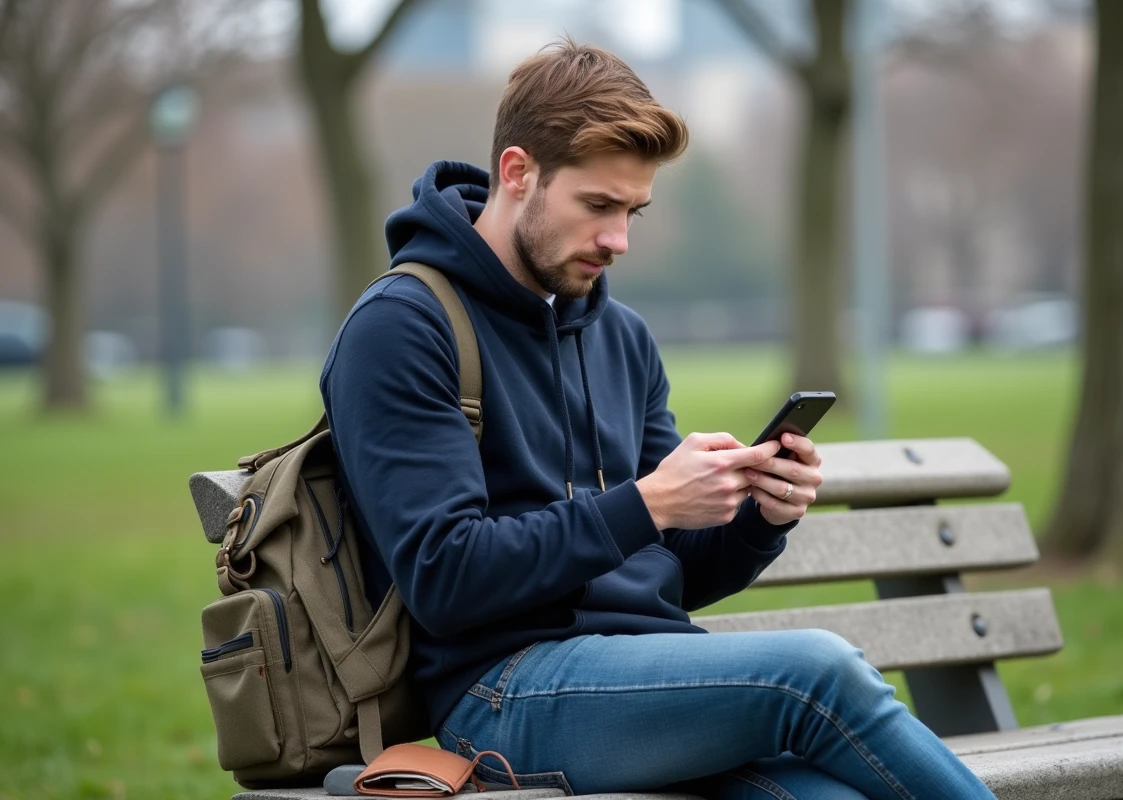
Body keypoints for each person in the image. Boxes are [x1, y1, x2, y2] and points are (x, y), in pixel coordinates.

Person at [320, 38, 995, 800]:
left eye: (634, 210)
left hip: (650, 678)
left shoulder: (621, 337)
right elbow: (445, 576)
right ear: (518, 173)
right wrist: (646, 503)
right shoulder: (404, 327)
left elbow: (671, 571)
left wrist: (757, 520)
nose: (619, 240)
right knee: (821, 673)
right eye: (599, 206)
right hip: (504, 694)